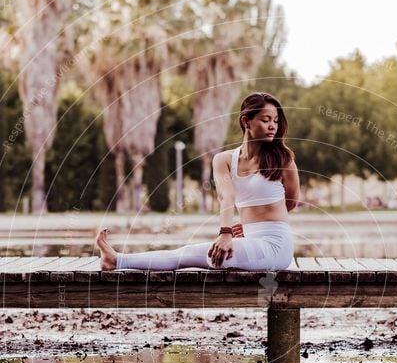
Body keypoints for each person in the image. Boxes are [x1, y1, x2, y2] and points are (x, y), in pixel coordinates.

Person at [95, 92, 300, 271]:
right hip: (250, 241)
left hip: (276, 245)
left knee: (211, 256)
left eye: (275, 120)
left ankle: (116, 260)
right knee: (199, 253)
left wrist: (253, 223)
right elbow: (226, 197)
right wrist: (227, 231)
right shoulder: (224, 160)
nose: (273, 125)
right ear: (246, 121)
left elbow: (290, 202)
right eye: (266, 119)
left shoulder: (283, 159)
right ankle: (116, 260)